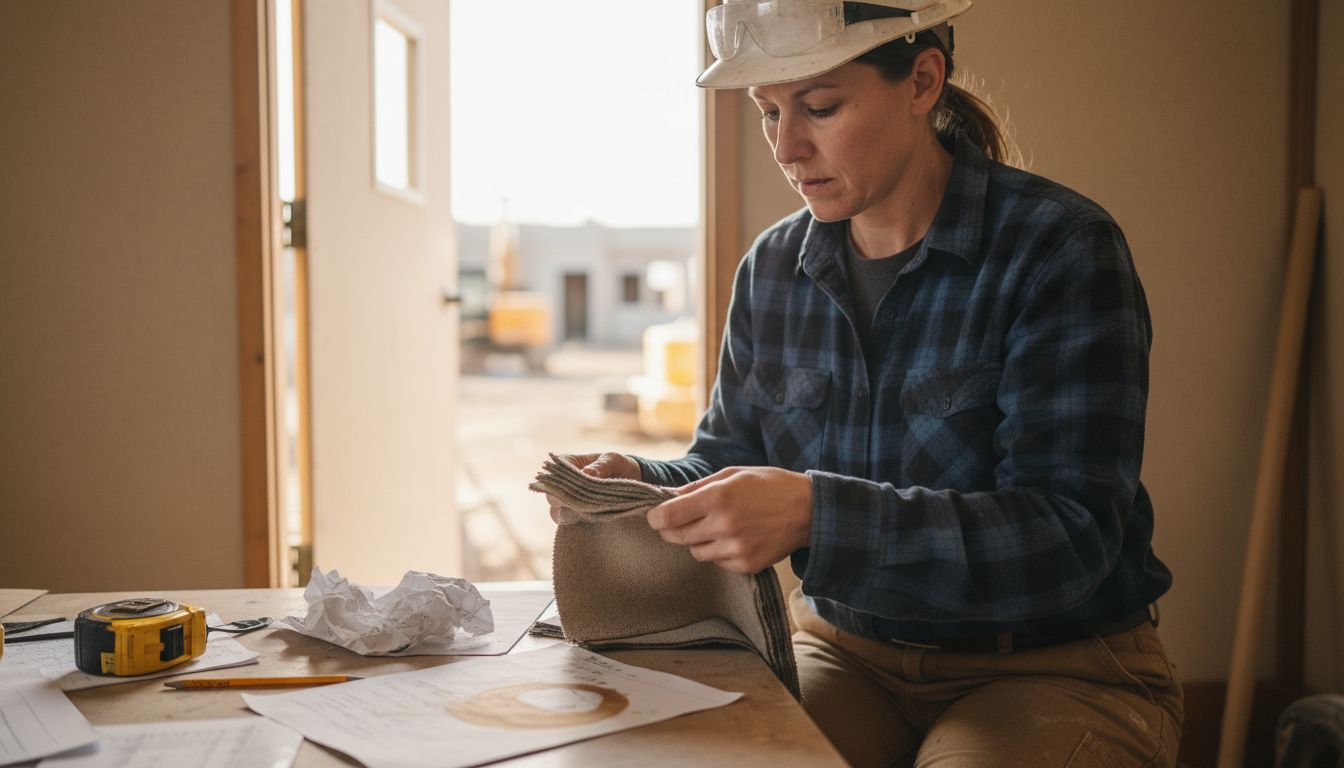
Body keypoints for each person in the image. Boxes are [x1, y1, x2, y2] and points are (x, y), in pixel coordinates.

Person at [548, 1, 1182, 764]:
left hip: (1053, 663)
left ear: (922, 82)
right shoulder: (773, 269)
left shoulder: (1059, 251)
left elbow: (1068, 538)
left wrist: (818, 515)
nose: (787, 146)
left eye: (820, 107)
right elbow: (728, 459)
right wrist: (637, 483)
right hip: (843, 650)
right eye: (769, 111)